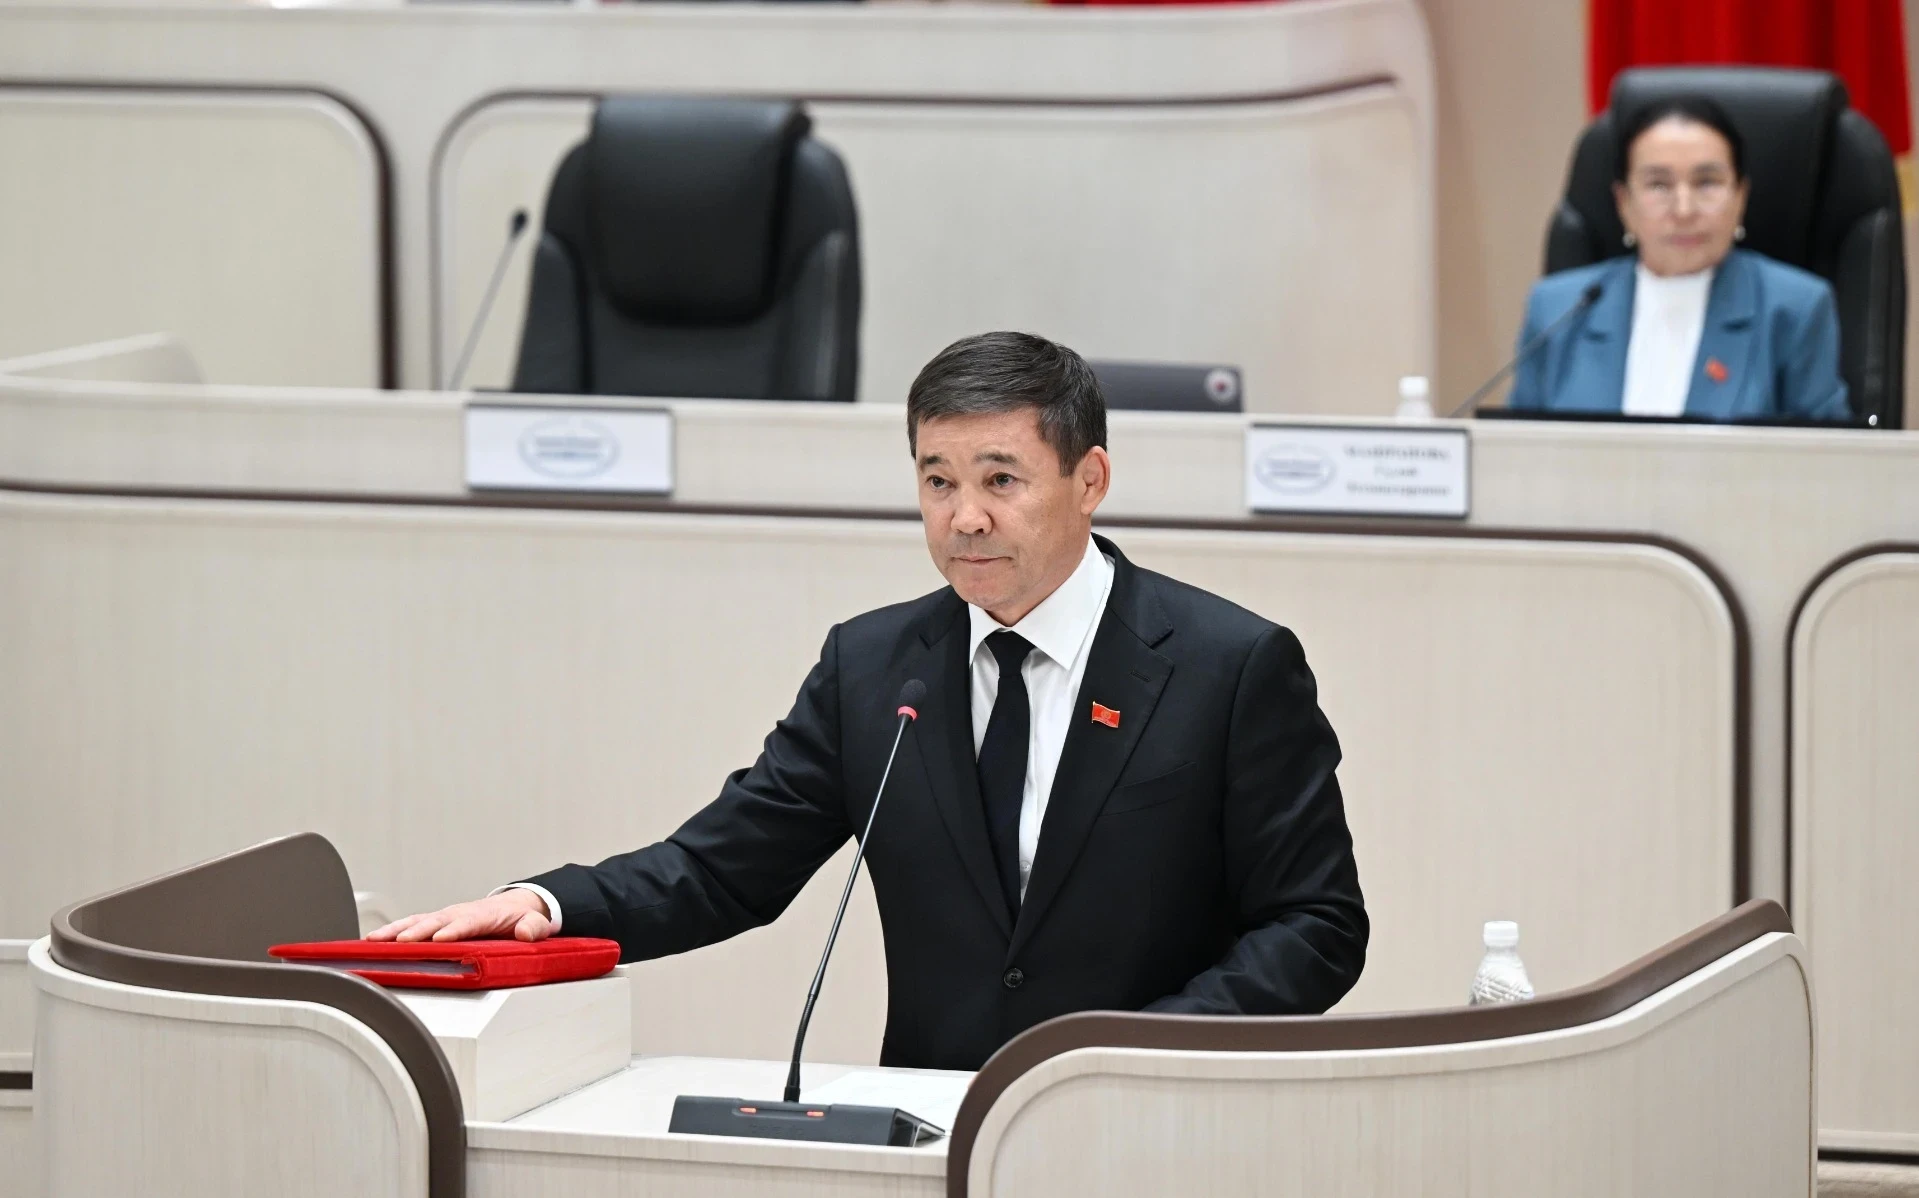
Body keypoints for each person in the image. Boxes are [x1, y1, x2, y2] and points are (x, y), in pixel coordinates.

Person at [372, 332, 1367, 1072]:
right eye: (936, 481)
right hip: (932, 1136)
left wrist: (1137, 1059)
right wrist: (546, 906)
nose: (963, 518)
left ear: (1089, 479)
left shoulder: (1228, 666)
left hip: (1158, 1126)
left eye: (1001, 480)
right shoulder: (876, 667)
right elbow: (720, 869)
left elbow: (1315, 923)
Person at [1506, 95, 1851, 422]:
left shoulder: (1794, 310)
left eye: (1707, 183)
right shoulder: (1558, 309)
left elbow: (1826, 454)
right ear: (1624, 203)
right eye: (1658, 185)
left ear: (1740, 197)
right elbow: (1517, 450)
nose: (1684, 210)